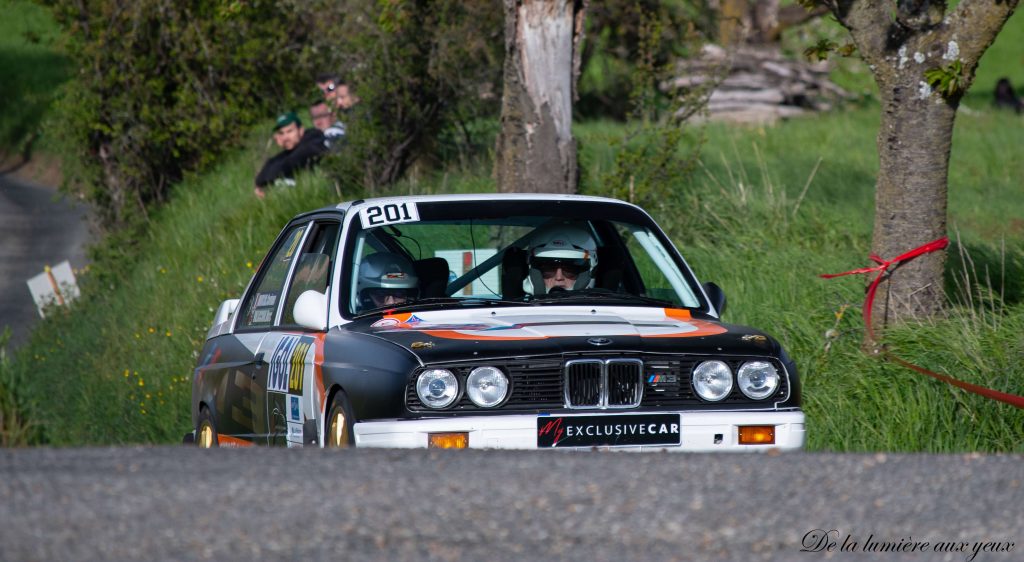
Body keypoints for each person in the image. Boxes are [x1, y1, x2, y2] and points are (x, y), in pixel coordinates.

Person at [253, 112, 327, 199]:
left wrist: (270, 176)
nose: (285, 137)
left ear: (301, 130)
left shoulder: (314, 138)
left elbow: (295, 160)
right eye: (281, 133)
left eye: (289, 131)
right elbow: (260, 179)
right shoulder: (289, 152)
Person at [524, 224, 598, 295]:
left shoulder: (605, 307)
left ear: (589, 272)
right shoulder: (517, 307)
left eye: (569, 269)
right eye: (549, 269)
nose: (559, 278)